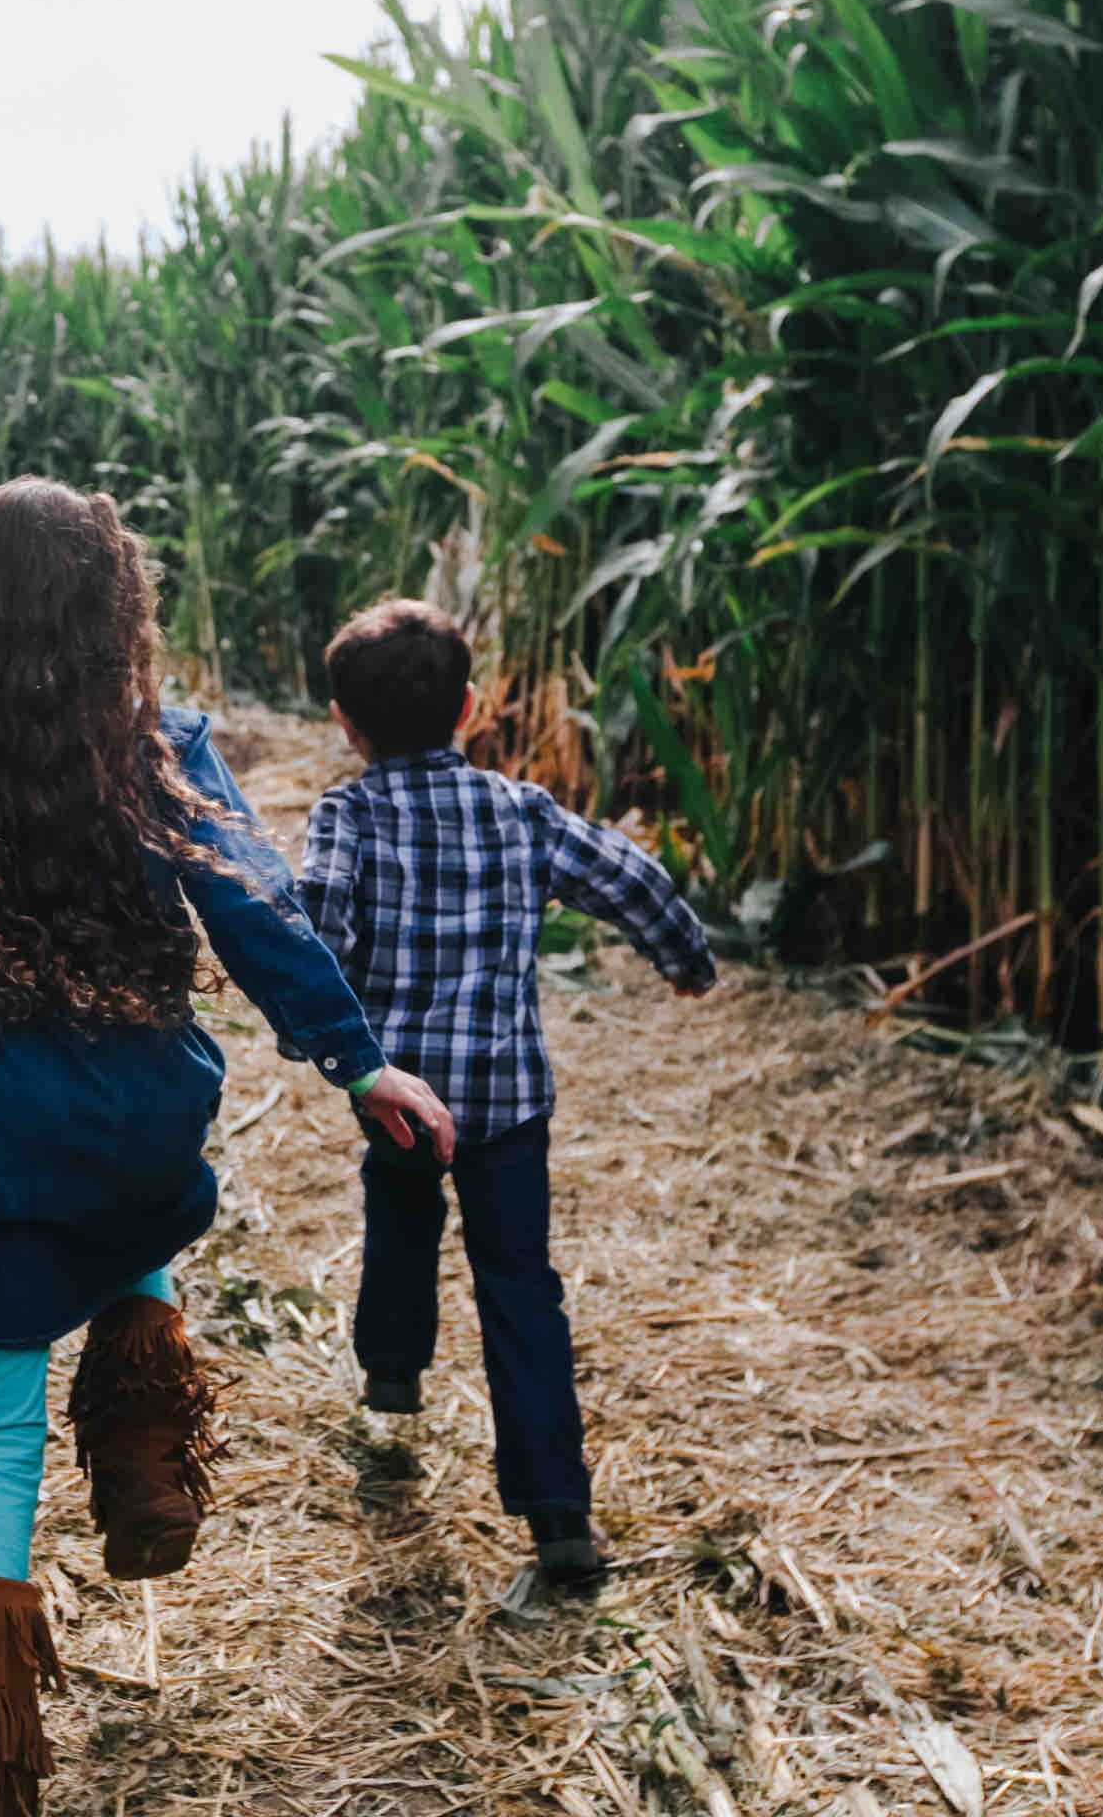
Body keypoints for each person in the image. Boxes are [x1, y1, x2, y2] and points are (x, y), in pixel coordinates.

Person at [0, 481, 456, 1816]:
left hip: (0, 1135)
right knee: (139, 1224)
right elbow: (258, 912)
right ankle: (148, 1455)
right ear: (120, 613)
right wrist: (357, 1057)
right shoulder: (167, 748)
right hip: (153, 1109)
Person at [295, 599, 716, 1591]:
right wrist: (686, 959)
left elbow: (313, 926)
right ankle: (560, 1520)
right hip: (509, 1102)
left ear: (343, 723)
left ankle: (391, 1390)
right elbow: (633, 877)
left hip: (398, 1096)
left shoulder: (344, 815)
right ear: (473, 707)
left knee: (398, 1223)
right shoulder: (521, 810)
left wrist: (319, 1037)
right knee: (522, 1287)